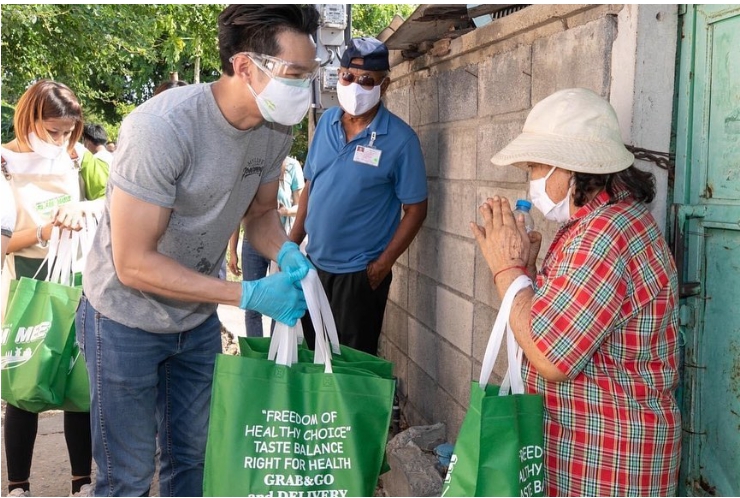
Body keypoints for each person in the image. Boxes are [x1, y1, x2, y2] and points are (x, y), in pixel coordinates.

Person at [77, 5, 319, 496]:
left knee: (193, 464)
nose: (306, 90)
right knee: (127, 477)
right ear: (246, 66)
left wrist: (286, 251)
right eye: (295, 75)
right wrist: (246, 294)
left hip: (194, 323)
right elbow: (133, 263)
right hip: (124, 321)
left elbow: (261, 214)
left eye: (310, 76)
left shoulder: (274, 129)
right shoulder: (163, 129)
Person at [472, 87, 681, 496]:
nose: (529, 180)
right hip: (598, 452)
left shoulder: (602, 235)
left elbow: (551, 355)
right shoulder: (607, 222)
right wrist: (527, 275)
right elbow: (560, 319)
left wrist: (506, 270)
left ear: (571, 169)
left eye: (535, 166)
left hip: (608, 461)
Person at [290, 37, 428, 355]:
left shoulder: (401, 140)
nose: (355, 86)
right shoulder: (326, 123)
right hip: (314, 268)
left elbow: (416, 209)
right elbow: (311, 184)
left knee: (351, 368)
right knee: (313, 358)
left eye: (367, 81)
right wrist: (291, 245)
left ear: (385, 85)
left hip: (360, 276)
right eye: (348, 77)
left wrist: (382, 265)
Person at [1, 79, 103, 497]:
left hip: (81, 279)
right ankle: (18, 485)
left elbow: (117, 199)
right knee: (26, 382)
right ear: (29, 118)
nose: (60, 140)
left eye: (68, 132)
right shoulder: (5, 163)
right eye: (53, 131)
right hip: (31, 277)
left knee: (79, 385)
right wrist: (43, 229)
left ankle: (82, 481)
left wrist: (83, 207)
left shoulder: (79, 158)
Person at [228, 155, 305, 336]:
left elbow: (301, 206)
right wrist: (232, 250)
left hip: (280, 243)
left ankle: (273, 352)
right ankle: (256, 353)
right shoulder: (251, 165)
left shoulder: (292, 167)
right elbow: (237, 212)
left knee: (279, 301)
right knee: (251, 304)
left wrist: (284, 211)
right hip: (251, 243)